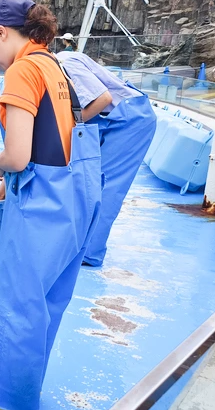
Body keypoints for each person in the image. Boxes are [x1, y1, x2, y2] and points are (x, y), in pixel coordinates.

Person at [0, 0, 102, 410]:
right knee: (48, 299)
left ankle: (10, 398)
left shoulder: (21, 72)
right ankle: (13, 377)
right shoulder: (53, 65)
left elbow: (17, 155)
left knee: (19, 299)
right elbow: (56, 139)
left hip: (43, 206)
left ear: (1, 32)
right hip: (76, 196)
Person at [55, 50, 157, 267]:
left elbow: (102, 99)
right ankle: (80, 244)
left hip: (131, 119)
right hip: (110, 121)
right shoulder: (55, 62)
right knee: (87, 183)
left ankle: (90, 254)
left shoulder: (64, 62)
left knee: (106, 187)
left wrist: (65, 126)